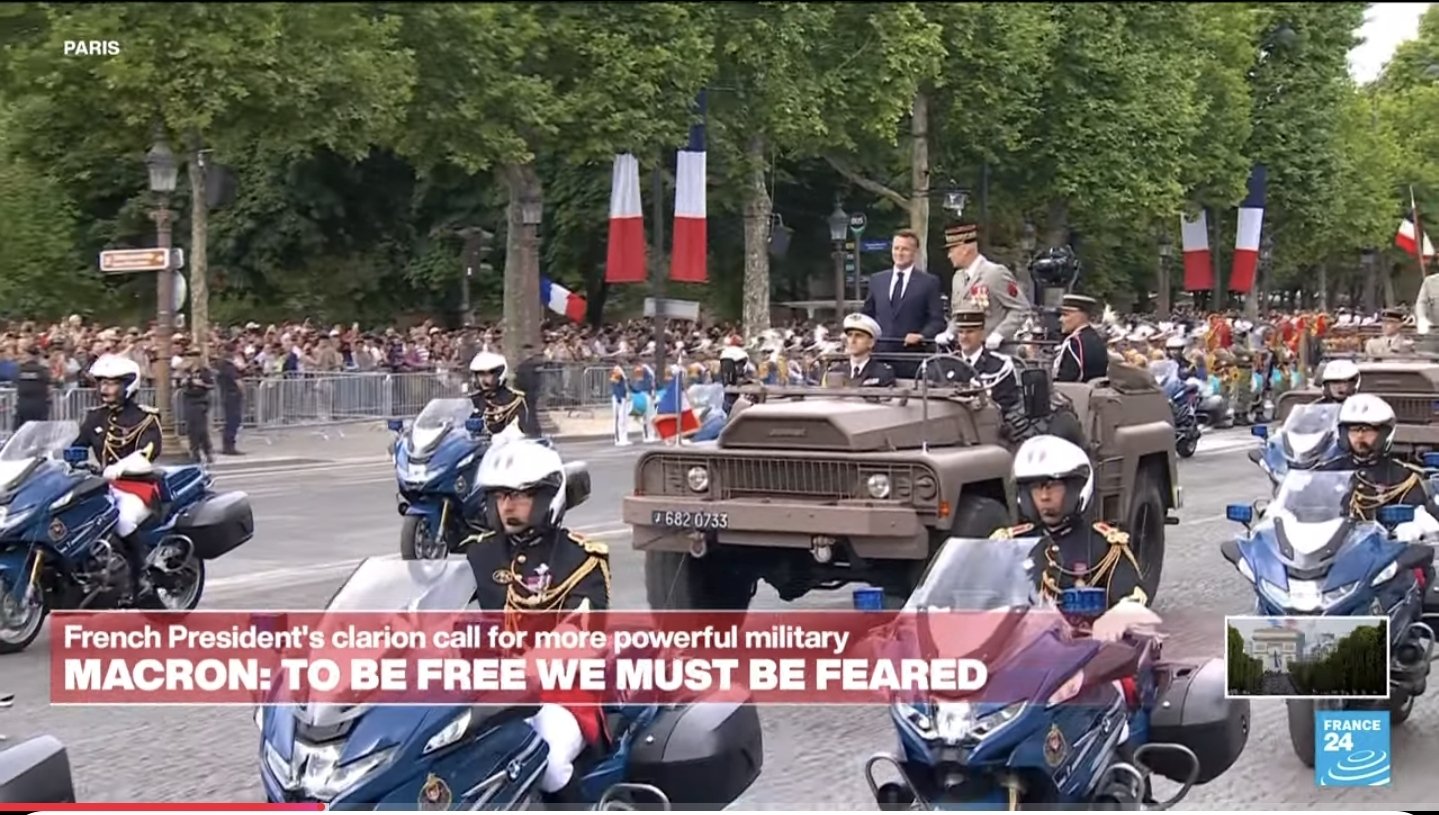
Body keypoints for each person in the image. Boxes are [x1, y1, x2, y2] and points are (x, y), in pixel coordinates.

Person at [463, 439, 609, 801]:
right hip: (483, 692)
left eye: (520, 496)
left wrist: (524, 672)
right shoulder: (478, 552)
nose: (507, 505)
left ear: (547, 499)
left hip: (560, 692)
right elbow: (430, 604)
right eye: (500, 496)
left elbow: (579, 634)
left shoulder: (580, 558)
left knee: (546, 760)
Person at [990, 435, 1155, 641]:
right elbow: (976, 597)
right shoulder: (1009, 545)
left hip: (1080, 656)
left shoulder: (1103, 546)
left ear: (1075, 489)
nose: (1044, 497)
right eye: (1035, 488)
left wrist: (1119, 615)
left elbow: (1135, 596)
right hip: (1017, 654)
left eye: (1052, 486)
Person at [79, 354, 163, 602]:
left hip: (136, 486)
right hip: (102, 485)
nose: (105, 388)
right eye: (102, 382)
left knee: (122, 519)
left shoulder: (146, 418)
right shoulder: (95, 417)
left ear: (128, 385)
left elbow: (148, 453)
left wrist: (121, 467)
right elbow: (74, 446)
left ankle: (142, 577)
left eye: (112, 383)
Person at [860, 228, 946, 367]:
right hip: (878, 357)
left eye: (905, 249)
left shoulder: (929, 282)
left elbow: (937, 320)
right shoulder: (877, 280)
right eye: (896, 248)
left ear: (915, 252)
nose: (899, 253)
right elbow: (867, 315)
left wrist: (921, 336)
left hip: (911, 358)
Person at [947, 309, 1035, 443]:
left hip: (986, 434)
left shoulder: (999, 366)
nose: (964, 337)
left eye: (970, 332)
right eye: (960, 332)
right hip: (948, 430)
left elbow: (1008, 404)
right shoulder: (946, 365)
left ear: (982, 334)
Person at [944, 220, 1031, 354]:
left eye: (952, 250)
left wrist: (1000, 334)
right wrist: (949, 331)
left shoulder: (995, 273)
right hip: (967, 352)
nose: (949, 255)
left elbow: (1021, 308)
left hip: (995, 352)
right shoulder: (957, 278)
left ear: (965, 249)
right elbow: (958, 314)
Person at [468, 351, 540, 437]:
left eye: (489, 374)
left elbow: (530, 432)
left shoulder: (515, 400)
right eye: (480, 374)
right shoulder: (473, 400)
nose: (483, 379)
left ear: (499, 374)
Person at [827, 313, 896, 387]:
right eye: (850, 335)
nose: (852, 340)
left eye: (859, 336)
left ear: (871, 343)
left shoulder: (883, 373)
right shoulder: (835, 371)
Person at [1053, 294, 1109, 383]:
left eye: (1065, 315)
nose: (1061, 319)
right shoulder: (1096, 339)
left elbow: (1067, 379)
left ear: (1080, 316)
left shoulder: (1075, 343)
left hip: (1075, 394)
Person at [179, 350, 215, 464]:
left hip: (200, 401)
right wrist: (184, 380)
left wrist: (201, 384)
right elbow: (178, 383)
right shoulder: (186, 372)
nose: (191, 360)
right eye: (189, 357)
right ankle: (195, 453)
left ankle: (207, 451)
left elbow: (211, 385)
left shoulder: (204, 371)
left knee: (201, 429)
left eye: (193, 357)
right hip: (189, 400)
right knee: (191, 429)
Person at [215, 342, 246, 455]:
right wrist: (243, 393)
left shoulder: (221, 364)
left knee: (229, 420)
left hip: (226, 394)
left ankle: (226, 445)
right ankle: (229, 446)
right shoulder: (229, 366)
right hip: (232, 395)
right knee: (233, 421)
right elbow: (238, 381)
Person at [13, 344, 51, 431]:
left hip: (23, 404)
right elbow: (51, 383)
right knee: (39, 430)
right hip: (39, 404)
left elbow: (14, 380)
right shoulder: (43, 370)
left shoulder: (19, 369)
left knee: (19, 431)